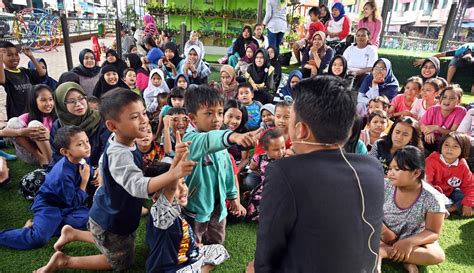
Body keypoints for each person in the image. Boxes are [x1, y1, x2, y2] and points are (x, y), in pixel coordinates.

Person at [33, 89, 196, 273]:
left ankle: (72, 233)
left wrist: (173, 167)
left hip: (113, 211)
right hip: (112, 218)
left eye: (143, 113)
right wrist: (174, 174)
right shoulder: (119, 154)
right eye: (135, 117)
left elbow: (120, 168)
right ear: (112, 126)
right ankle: (65, 261)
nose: (144, 120)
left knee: (113, 241)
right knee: (119, 261)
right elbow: (137, 186)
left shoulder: (123, 140)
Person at [251, 76, 384, 273]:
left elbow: (269, 247)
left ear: (300, 130)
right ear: (349, 132)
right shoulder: (373, 168)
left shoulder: (284, 171)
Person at [182, 85, 258, 244]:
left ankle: (213, 251)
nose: (216, 119)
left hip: (219, 204)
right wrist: (234, 137)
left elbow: (228, 172)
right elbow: (209, 140)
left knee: (217, 239)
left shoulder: (222, 145)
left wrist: (232, 197)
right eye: (209, 113)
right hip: (196, 205)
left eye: (219, 113)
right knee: (192, 242)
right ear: (193, 118)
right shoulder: (191, 139)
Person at [0, 126, 92, 250]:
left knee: (89, 218)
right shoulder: (63, 174)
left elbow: (87, 171)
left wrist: (96, 174)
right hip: (49, 205)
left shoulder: (82, 157)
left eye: (87, 141)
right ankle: (22, 232)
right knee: (38, 239)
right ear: (65, 152)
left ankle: (41, 225)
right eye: (80, 144)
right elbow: (73, 202)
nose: (87, 146)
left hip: (64, 205)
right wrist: (84, 182)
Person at [380, 146, 446, 273]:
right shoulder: (383, 185)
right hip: (381, 233)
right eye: (390, 168)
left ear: (416, 172)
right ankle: (406, 259)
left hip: (413, 237)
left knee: (437, 255)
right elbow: (367, 212)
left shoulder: (433, 198)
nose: (390, 173)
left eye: (397, 169)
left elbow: (433, 232)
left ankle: (384, 252)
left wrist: (409, 242)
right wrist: (384, 231)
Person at [146, 178, 230, 272]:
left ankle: (197, 267)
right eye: (173, 188)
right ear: (156, 197)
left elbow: (184, 237)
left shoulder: (177, 212)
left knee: (219, 250)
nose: (183, 189)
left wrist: (195, 245)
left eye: (183, 183)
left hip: (188, 256)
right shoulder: (162, 217)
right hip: (171, 268)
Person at [50, 82, 111, 168]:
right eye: (71, 101)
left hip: (99, 168)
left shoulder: (101, 119)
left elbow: (107, 151)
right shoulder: (58, 125)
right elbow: (57, 155)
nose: (78, 104)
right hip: (70, 169)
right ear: (61, 105)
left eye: (81, 98)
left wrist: (95, 170)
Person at [1, 84, 55, 166]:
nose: (48, 103)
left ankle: (50, 162)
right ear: (34, 101)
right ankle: (41, 158)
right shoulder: (27, 117)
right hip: (34, 156)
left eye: (50, 99)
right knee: (13, 122)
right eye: (43, 100)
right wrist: (23, 132)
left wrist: (49, 136)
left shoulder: (56, 117)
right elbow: (2, 132)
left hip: (53, 154)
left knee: (34, 125)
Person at [426, 132, 474, 217]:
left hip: (451, 193)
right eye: (446, 145)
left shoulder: (462, 164)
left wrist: (468, 203)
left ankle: (449, 209)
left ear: (463, 149)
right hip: (433, 193)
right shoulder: (432, 160)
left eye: (455, 146)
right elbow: (425, 183)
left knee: (469, 198)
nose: (449, 149)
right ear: (441, 146)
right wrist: (439, 194)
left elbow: (470, 185)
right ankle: (445, 209)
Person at [246, 128, 286, 222]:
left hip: (284, 190)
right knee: (258, 201)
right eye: (276, 149)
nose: (281, 152)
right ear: (265, 149)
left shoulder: (288, 158)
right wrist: (261, 174)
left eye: (283, 147)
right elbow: (252, 167)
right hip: (266, 189)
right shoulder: (259, 158)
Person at [0, 41, 45, 118]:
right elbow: (1, 80)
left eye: (16, 54)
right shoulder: (5, 74)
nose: (14, 57)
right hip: (17, 115)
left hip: (32, 112)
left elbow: (42, 73)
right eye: (9, 55)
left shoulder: (24, 71)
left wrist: (31, 57)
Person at [420, 85, 466, 153]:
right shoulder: (433, 109)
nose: (447, 100)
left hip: (447, 142)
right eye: (444, 97)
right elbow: (421, 125)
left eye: (452, 98)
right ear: (440, 99)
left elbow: (453, 133)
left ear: (458, 101)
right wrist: (427, 132)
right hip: (430, 140)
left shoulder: (460, 111)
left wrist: (436, 128)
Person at [223, 99, 250, 174]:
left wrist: (234, 173)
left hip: (237, 164)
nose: (234, 121)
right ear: (223, 115)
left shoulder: (244, 131)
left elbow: (244, 159)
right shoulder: (217, 129)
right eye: (230, 116)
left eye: (238, 118)